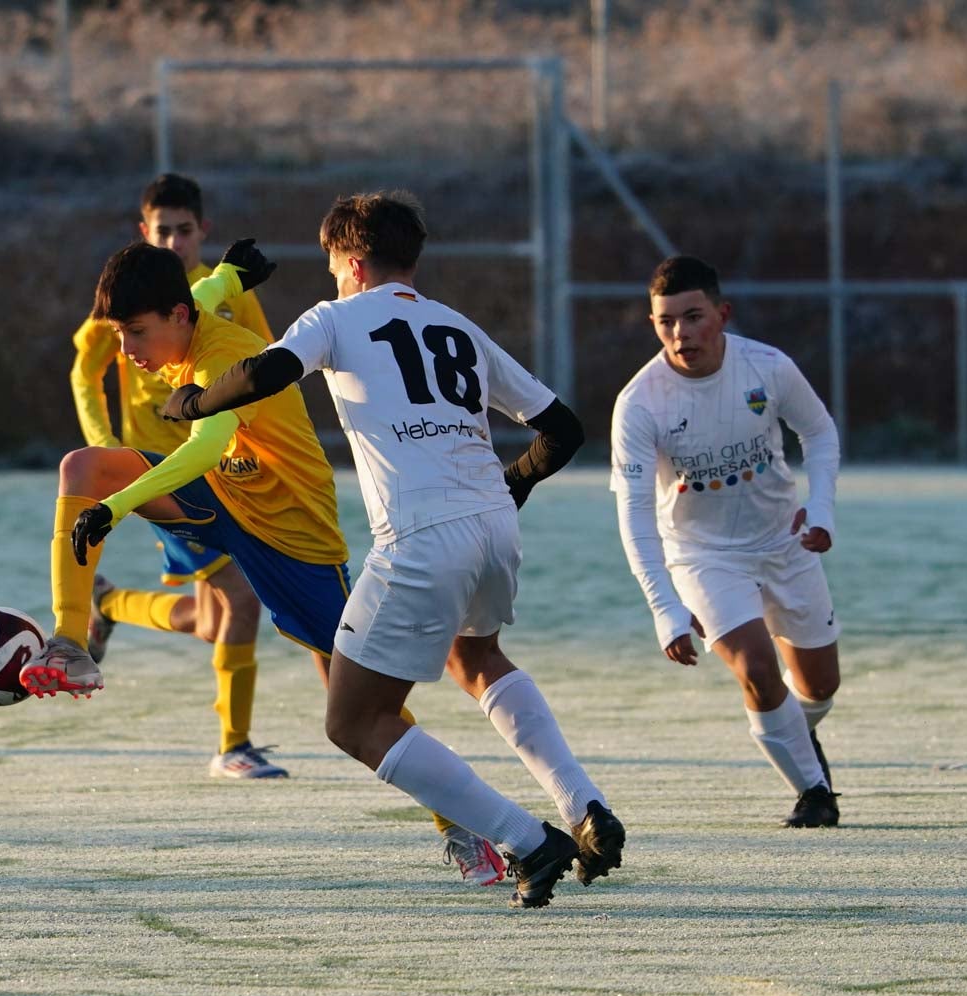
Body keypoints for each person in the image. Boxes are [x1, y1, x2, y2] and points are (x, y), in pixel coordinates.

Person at [158, 191, 626, 908]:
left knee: (352, 720)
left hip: (421, 533)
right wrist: (510, 486)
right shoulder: (457, 325)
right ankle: (583, 804)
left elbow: (269, 372)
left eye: (331, 267)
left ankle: (528, 840)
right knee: (477, 657)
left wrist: (192, 404)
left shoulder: (336, 316)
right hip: (493, 524)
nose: (331, 280)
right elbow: (562, 427)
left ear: (350, 262)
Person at [22, 238, 510, 889]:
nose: (127, 351)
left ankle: (461, 824)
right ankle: (68, 637)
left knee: (355, 703)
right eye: (119, 334)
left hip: (290, 532)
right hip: (215, 493)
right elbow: (210, 292)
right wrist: (230, 272)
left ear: (174, 318)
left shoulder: (225, 355)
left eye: (136, 333)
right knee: (81, 466)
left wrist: (117, 508)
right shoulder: (186, 312)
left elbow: (205, 445)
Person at [609, 254, 843, 828]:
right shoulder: (639, 403)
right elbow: (635, 514)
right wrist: (664, 607)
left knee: (819, 687)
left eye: (693, 317)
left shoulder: (768, 367)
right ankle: (814, 793)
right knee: (757, 669)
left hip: (786, 542)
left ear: (722, 314)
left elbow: (818, 432)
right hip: (702, 555)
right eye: (666, 322)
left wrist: (822, 509)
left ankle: (796, 735)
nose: (680, 334)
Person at [69, 173, 280, 780]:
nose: (173, 239)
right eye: (162, 229)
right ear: (145, 231)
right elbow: (86, 371)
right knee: (242, 599)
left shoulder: (227, 293)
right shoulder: (132, 292)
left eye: (183, 230)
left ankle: (111, 604)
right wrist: (105, 446)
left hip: (224, 465)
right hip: (157, 472)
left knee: (214, 619)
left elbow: (265, 365)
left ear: (202, 232)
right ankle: (233, 745)